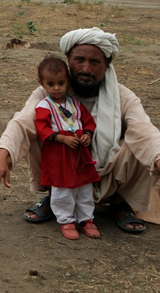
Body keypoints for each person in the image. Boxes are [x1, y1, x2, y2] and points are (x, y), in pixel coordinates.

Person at [0, 27, 160, 234]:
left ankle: (119, 203)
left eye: (95, 62)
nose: (86, 68)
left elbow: (146, 132)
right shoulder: (48, 93)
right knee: (37, 129)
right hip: (62, 168)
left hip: (107, 176)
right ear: (68, 61)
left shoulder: (123, 96)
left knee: (138, 143)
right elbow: (21, 122)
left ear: (107, 65)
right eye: (79, 60)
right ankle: (56, 196)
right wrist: (1, 154)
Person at [33, 55, 100, 240]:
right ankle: (66, 219)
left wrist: (87, 134)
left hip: (79, 154)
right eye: (51, 84)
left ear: (67, 82)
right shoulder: (44, 106)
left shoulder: (75, 104)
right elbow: (42, 128)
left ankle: (86, 218)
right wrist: (62, 138)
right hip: (59, 154)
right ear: (42, 84)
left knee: (84, 187)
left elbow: (88, 121)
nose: (56, 88)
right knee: (62, 187)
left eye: (61, 83)